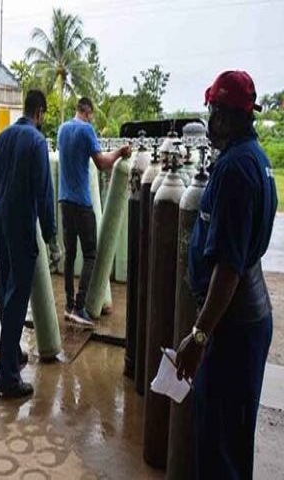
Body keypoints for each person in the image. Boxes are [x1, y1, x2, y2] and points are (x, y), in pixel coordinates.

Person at [176, 71, 277, 480]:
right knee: (232, 437)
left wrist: (199, 336)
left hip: (232, 325)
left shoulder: (236, 169)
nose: (209, 120)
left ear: (225, 116)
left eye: (212, 111)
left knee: (218, 443)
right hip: (242, 319)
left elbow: (229, 268)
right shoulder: (256, 159)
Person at [0, 89, 56, 399]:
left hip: (0, 219)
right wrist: (51, 237)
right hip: (20, 224)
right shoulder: (37, 141)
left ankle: (13, 353)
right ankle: (9, 377)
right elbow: (43, 193)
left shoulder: (3, 136)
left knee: (6, 291)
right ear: (39, 113)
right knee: (17, 297)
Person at [57, 97, 131, 324]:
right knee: (90, 254)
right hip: (81, 202)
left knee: (70, 254)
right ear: (88, 112)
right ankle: (80, 307)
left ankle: (69, 304)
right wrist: (120, 152)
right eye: (92, 115)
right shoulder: (86, 130)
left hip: (64, 201)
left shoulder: (62, 129)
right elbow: (102, 163)